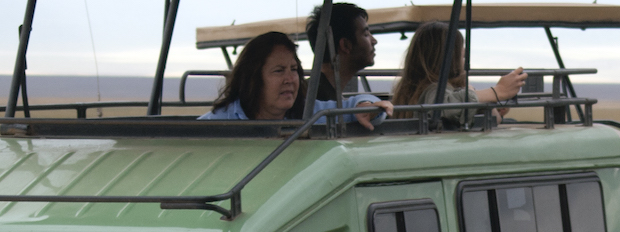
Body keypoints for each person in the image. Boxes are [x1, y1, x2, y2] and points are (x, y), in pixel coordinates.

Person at [199, 32, 392, 130]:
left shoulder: (308, 113)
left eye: (293, 70)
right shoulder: (218, 123)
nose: (290, 79)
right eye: (278, 71)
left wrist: (367, 106)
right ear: (252, 79)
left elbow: (350, 107)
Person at [391, 21, 527, 125]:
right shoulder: (434, 89)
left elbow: (494, 119)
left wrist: (472, 91)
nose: (464, 62)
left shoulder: (413, 88)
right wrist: (498, 91)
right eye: (461, 57)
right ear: (449, 61)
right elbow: (445, 107)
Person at [304, 3, 376, 101]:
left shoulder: (313, 92)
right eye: (366, 34)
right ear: (345, 45)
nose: (374, 41)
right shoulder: (317, 100)